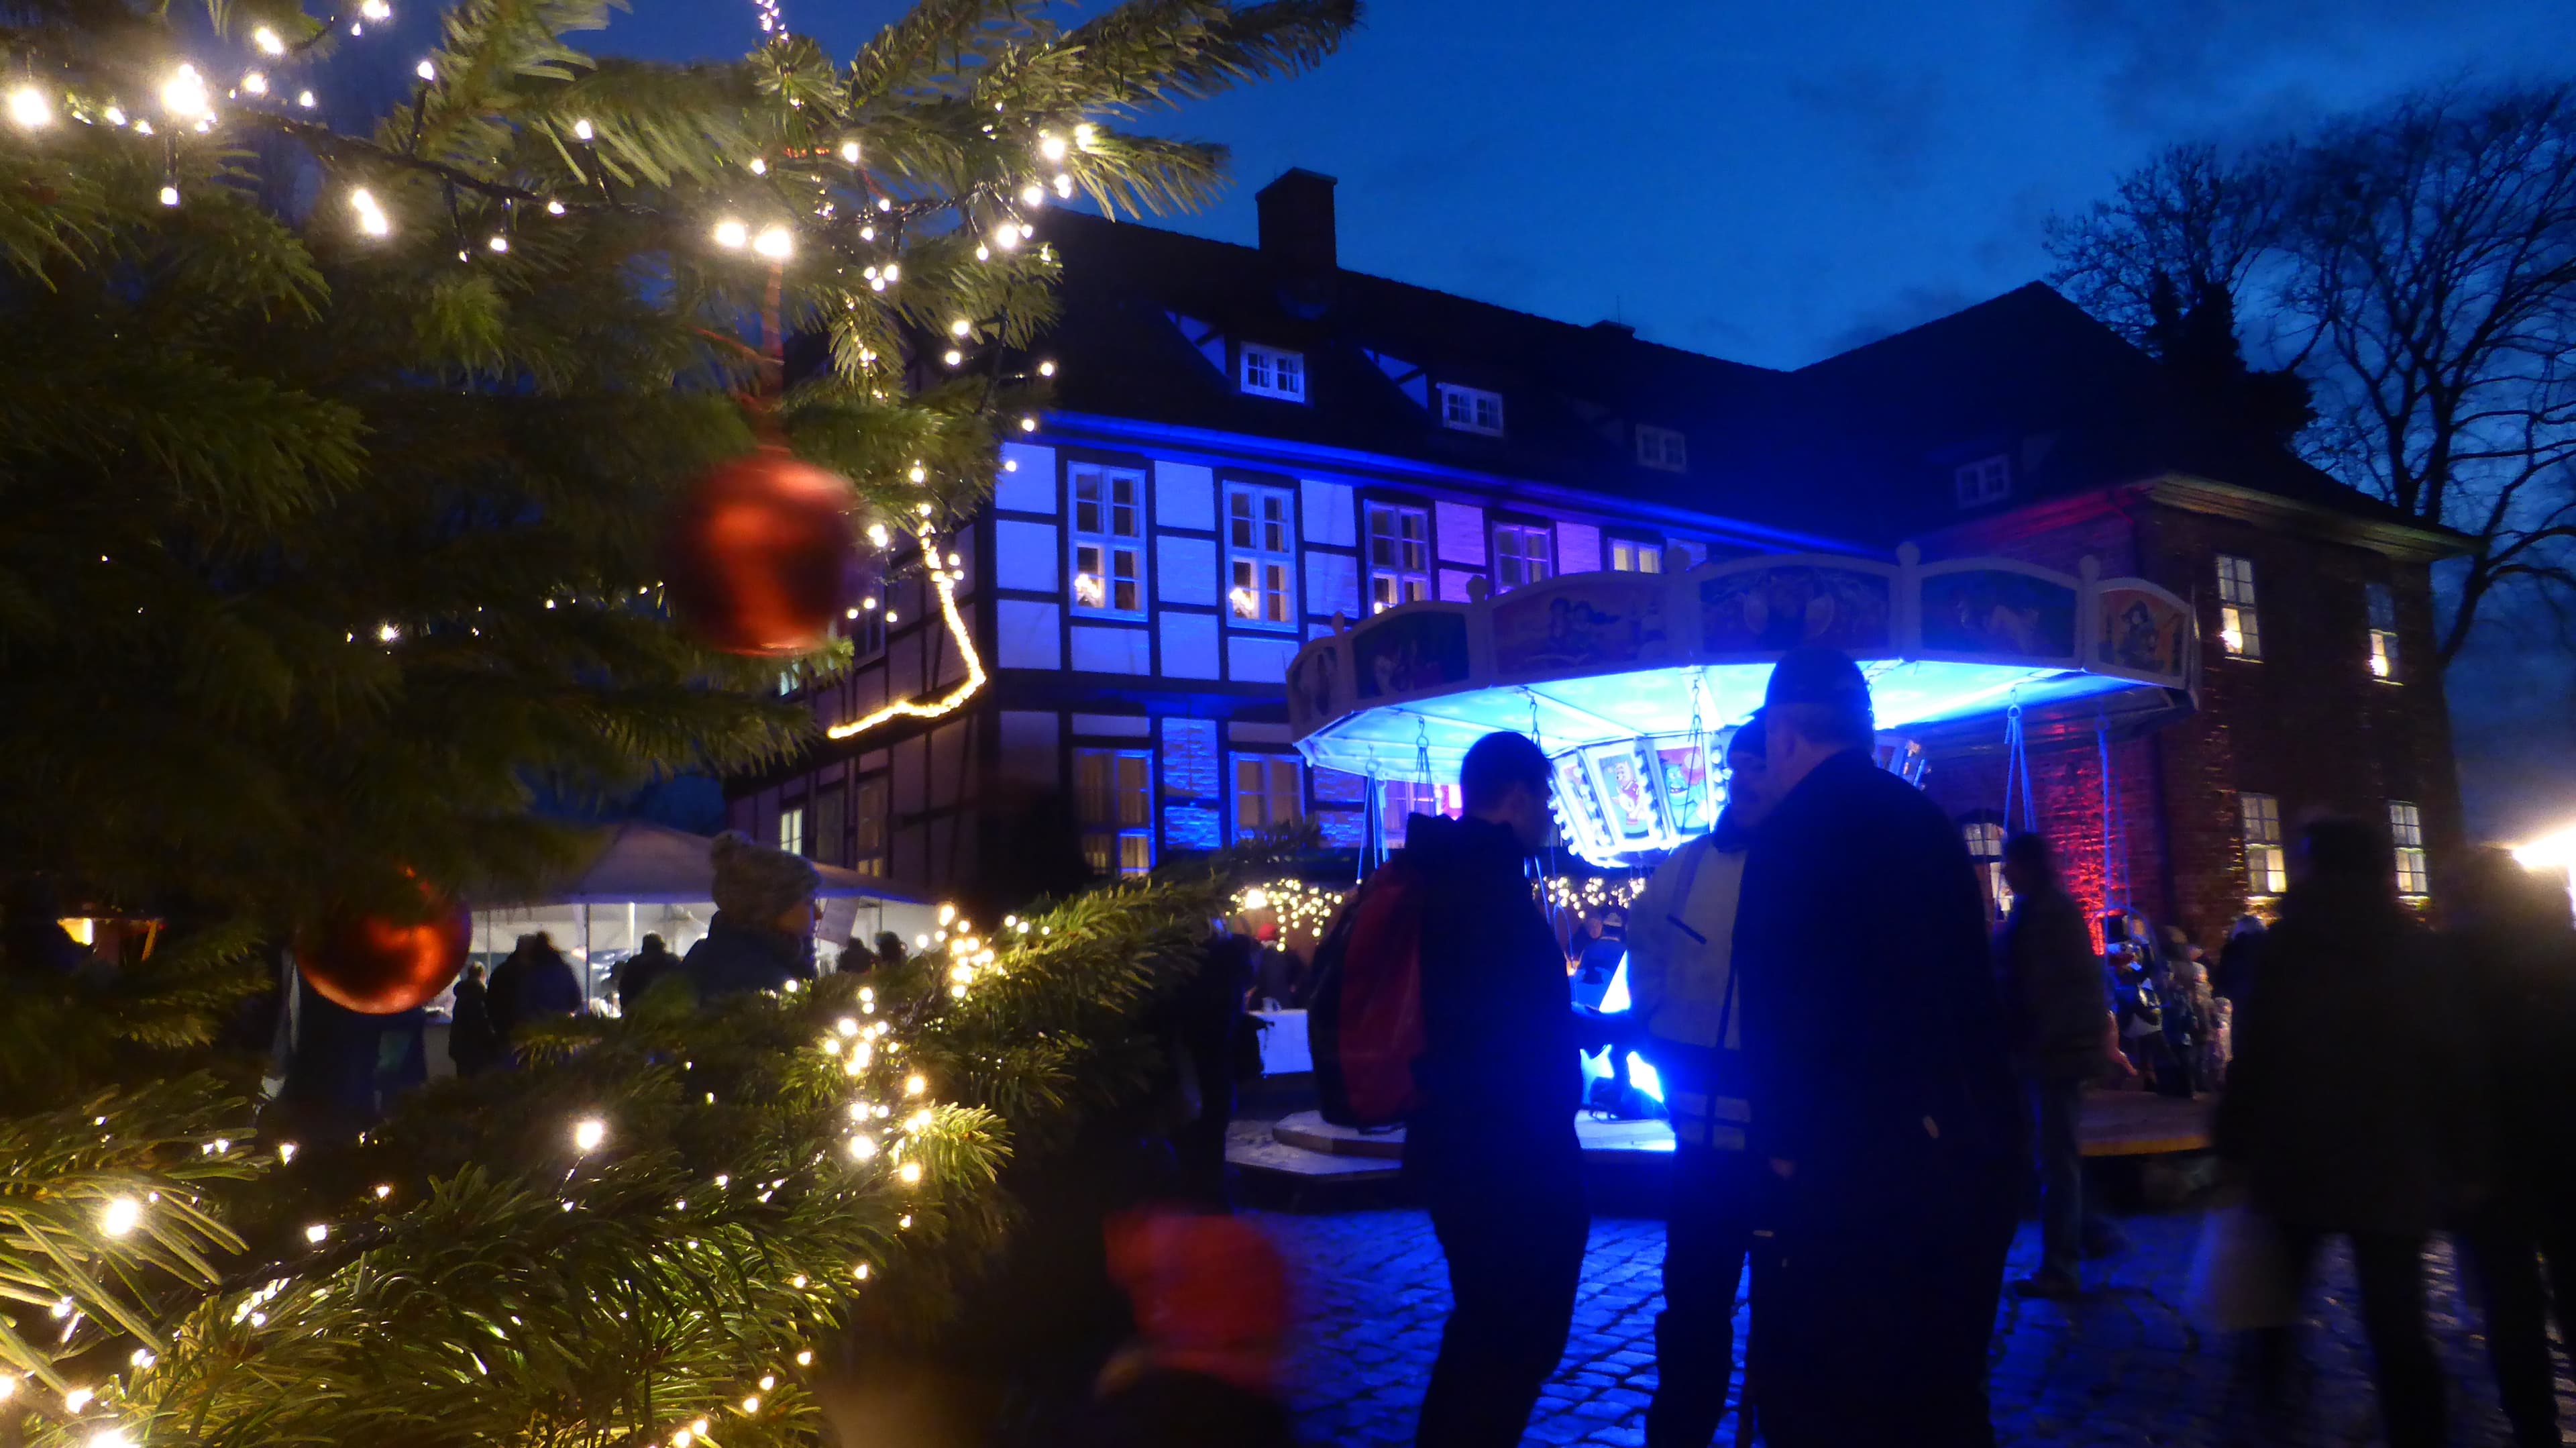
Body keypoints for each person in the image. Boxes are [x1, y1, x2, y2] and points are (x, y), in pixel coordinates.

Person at [1730, 647, 2022, 1448]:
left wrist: (1784, 1149)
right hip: (1944, 1153)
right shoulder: (1925, 824)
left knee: (1832, 1387)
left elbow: (1775, 1007)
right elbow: (1970, 992)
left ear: (1785, 736)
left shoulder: (1788, 837)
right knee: (1935, 1387)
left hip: (1840, 1163)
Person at [2216, 817, 2469, 1448]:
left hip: (2297, 1154)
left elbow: (2256, 1052)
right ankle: (2420, 1432)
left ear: (2313, 866)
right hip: (2392, 1157)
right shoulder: (2416, 948)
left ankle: (2267, 1416)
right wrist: (2457, 1153)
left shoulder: (2284, 947)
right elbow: (2450, 1060)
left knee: (2273, 1309)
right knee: (2399, 1326)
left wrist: (2233, 1137)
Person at [1405, 730, 1601, 1448]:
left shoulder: (1446, 872)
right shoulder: (1486, 885)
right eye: (1546, 795)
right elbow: (1501, 1021)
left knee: (1487, 1320)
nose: (1550, 812)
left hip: (1461, 1143)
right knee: (1512, 1328)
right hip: (1507, 1154)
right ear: (1517, 795)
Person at [1623, 715, 1777, 1447]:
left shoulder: (1812, 868)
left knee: (1791, 1310)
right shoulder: (1683, 869)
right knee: (1691, 1306)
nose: (1746, 776)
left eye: (1761, 762)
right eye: (1738, 762)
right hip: (1702, 1139)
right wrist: (1656, 1030)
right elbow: (1646, 950)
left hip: (1784, 1139)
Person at [2443, 848, 2576, 1448]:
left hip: (2489, 1156)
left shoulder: (2450, 962)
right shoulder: (2563, 947)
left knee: (2510, 1302)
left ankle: (2535, 1431)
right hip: (2565, 1143)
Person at [1996, 832, 2131, 1300]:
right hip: (2055, 1051)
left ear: (2025, 866)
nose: (2004, 872)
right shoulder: (2051, 911)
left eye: (2009, 863)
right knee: (2055, 1156)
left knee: (2055, 1160)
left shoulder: (2043, 916)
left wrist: (2025, 1042)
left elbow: (2039, 991)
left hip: (2051, 1055)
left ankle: (2061, 1267)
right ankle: (2086, 1233)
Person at [682, 831, 820, 1002]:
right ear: (772, 906)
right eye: (809, 902)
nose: (818, 914)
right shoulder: (760, 979)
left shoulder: (712, 953)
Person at [447, 962, 503, 1076]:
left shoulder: (461, 995)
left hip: (461, 1050)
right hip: (478, 1052)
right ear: (483, 976)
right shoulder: (479, 996)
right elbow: (482, 1025)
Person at [616, 933, 680, 1012]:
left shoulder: (634, 962)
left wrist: (627, 1009)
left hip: (639, 1012)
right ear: (662, 946)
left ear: (644, 947)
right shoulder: (672, 960)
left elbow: (624, 988)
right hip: (669, 1010)